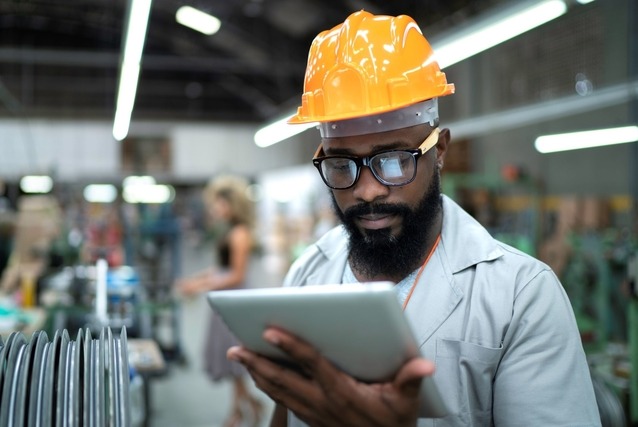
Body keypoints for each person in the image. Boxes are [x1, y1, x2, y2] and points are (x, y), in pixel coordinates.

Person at [227, 10, 602, 427]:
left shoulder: (521, 297)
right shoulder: (309, 273)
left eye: (392, 161)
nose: (367, 191)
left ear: (438, 150)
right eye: (341, 164)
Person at [177, 175, 263, 427]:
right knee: (231, 360)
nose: (215, 209)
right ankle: (248, 406)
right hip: (226, 299)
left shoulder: (239, 234)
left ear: (231, 204)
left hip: (235, 300)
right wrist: (195, 279)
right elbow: (221, 268)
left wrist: (200, 286)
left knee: (235, 359)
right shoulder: (229, 232)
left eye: (219, 204)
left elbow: (236, 274)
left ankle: (238, 412)